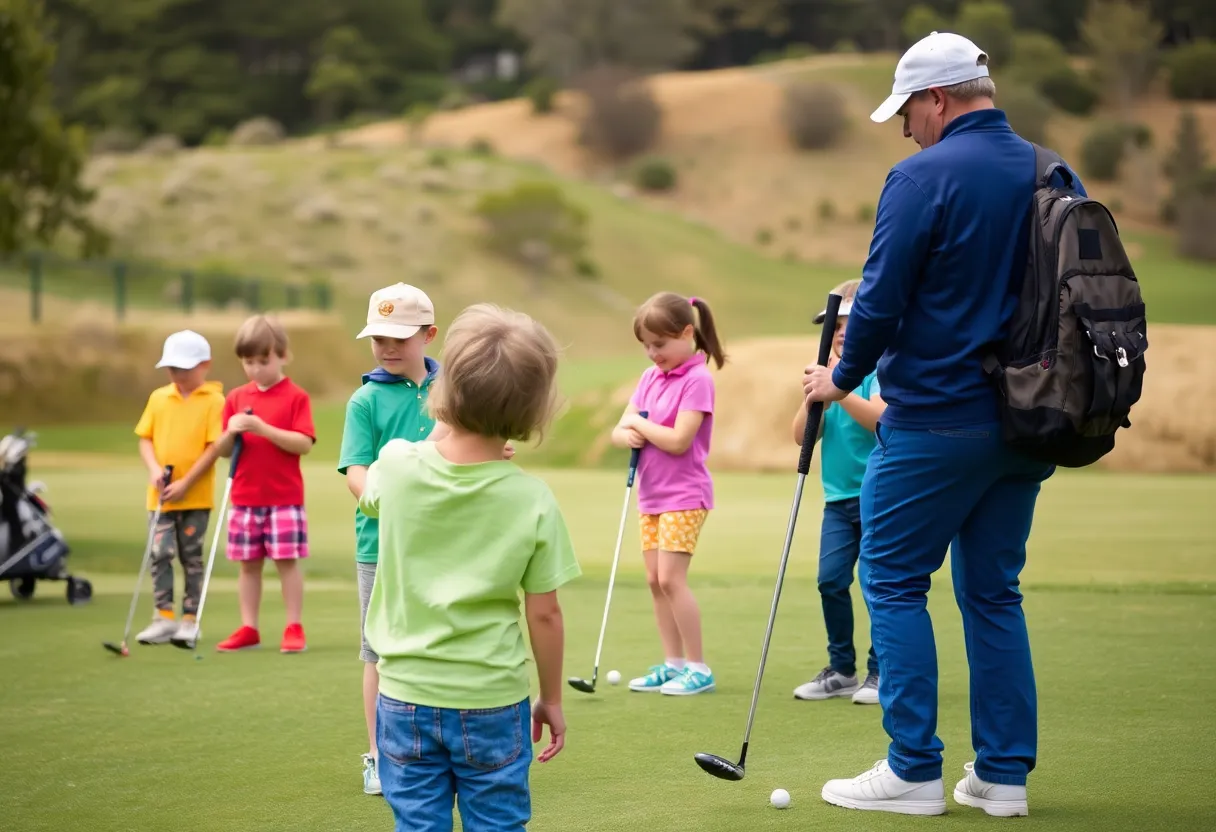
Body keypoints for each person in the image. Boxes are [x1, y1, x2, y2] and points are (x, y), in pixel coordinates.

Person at [804, 32, 1087, 818]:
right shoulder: (1052, 169)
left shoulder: (919, 177)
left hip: (935, 419)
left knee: (891, 579)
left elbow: (879, 300)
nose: (904, 128)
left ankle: (913, 770)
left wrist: (841, 379)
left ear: (938, 98)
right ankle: (1002, 777)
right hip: (1030, 423)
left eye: (907, 110)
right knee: (993, 593)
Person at [360, 303, 579, 832]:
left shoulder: (397, 465)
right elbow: (545, 614)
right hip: (493, 701)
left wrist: (444, 423)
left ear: (446, 390)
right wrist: (551, 698)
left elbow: (374, 493)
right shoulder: (533, 498)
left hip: (404, 696)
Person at [338, 282, 443, 796]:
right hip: (380, 545)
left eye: (399, 337)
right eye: (379, 337)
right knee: (379, 653)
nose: (387, 347)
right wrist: (384, 500)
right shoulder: (365, 399)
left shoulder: (453, 390)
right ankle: (379, 754)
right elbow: (356, 472)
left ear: (429, 334)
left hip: (445, 543)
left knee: (439, 644)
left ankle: (438, 750)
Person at [612, 292, 726, 697]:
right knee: (654, 581)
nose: (652, 353)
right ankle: (673, 664)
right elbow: (619, 429)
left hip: (685, 495)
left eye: (659, 344)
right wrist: (628, 432)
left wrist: (639, 427)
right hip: (652, 496)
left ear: (687, 333)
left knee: (671, 579)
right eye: (646, 346)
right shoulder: (649, 378)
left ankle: (698, 667)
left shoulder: (698, 380)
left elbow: (679, 440)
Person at [790, 279, 885, 706]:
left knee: (877, 584)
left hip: (880, 497)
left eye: (851, 323)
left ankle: (880, 672)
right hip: (838, 500)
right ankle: (842, 669)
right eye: (836, 326)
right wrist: (816, 396)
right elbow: (802, 437)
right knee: (830, 581)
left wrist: (838, 387)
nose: (842, 333)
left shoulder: (882, 369)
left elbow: (879, 419)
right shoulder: (826, 376)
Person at [214, 315, 316, 654]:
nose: (255, 369)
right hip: (245, 497)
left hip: (284, 497)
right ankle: (249, 628)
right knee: (248, 566)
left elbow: (303, 443)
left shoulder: (296, 397)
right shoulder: (235, 398)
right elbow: (223, 451)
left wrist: (262, 428)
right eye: (248, 362)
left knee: (286, 563)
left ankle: (294, 626)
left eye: (263, 360)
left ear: (283, 355)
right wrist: (231, 431)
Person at [133, 330, 225, 646]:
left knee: (191, 557)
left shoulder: (214, 401)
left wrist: (186, 483)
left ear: (205, 365)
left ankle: (189, 620)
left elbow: (214, 448)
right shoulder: (159, 398)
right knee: (159, 553)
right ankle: (163, 618)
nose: (178, 374)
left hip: (195, 498)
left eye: (185, 368)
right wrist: (154, 471)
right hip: (160, 497)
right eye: (173, 368)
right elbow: (145, 439)